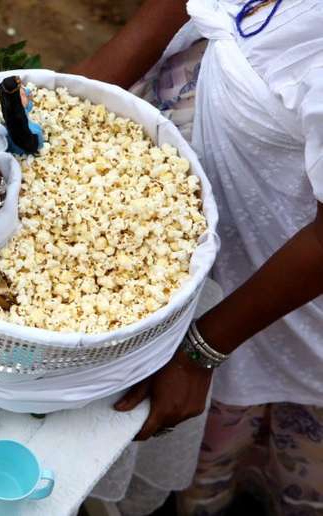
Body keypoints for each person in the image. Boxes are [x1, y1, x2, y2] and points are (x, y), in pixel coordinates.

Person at [72, 0, 323, 514]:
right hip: (173, 205)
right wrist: (54, 110)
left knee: (241, 415)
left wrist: (200, 351)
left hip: (273, 290)